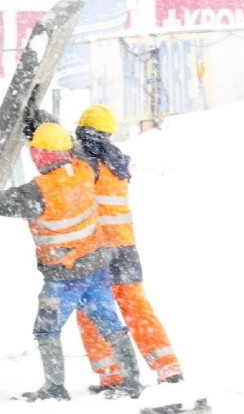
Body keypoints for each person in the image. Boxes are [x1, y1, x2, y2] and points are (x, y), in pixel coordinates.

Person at [0, 122, 142, 402]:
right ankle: (132, 382)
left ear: (40, 155)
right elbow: (77, 150)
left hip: (65, 278)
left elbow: (0, 204)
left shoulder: (40, 190)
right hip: (96, 268)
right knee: (110, 324)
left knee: (47, 329)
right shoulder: (83, 170)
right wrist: (47, 126)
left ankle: (55, 386)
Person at [25, 105, 184, 395]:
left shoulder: (86, 162)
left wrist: (41, 125)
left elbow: (59, 150)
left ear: (83, 130)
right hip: (126, 248)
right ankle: (168, 368)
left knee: (93, 312)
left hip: (97, 250)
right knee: (136, 307)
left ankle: (112, 374)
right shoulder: (116, 161)